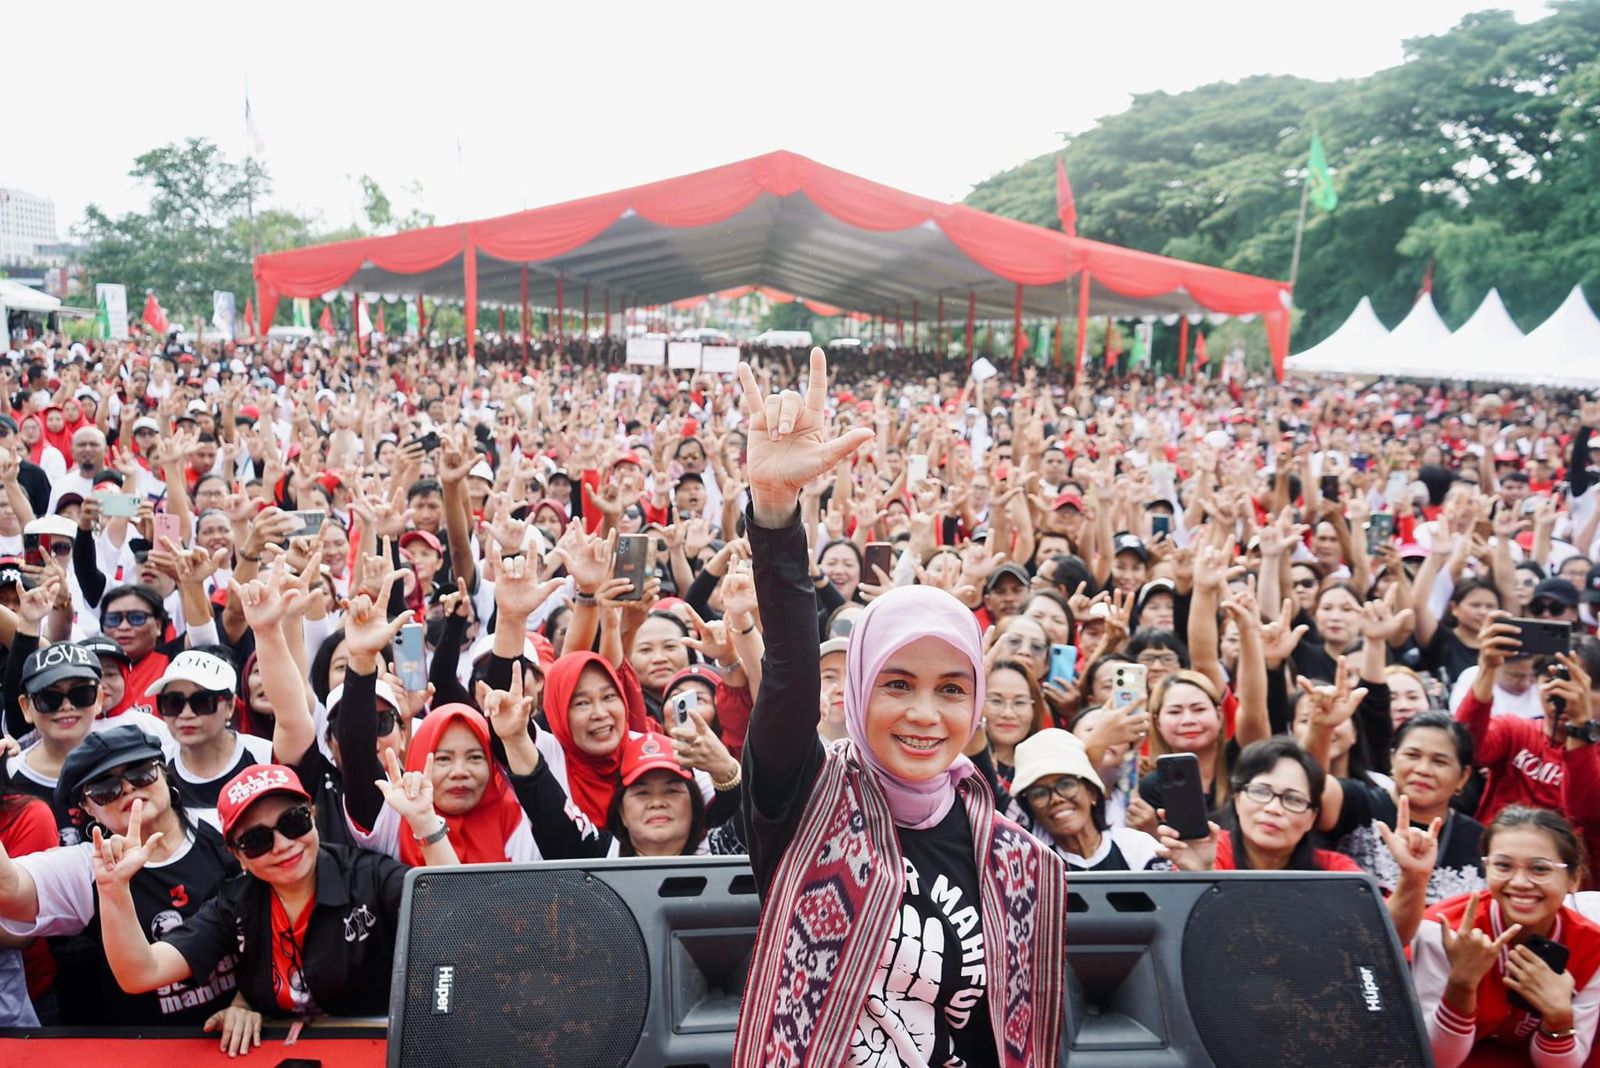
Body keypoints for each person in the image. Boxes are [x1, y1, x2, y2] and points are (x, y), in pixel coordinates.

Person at [731, 349, 1065, 1066]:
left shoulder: (1011, 857)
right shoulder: (803, 799)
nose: (924, 714)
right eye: (896, 683)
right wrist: (776, 512)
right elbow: (790, 668)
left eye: (951, 690)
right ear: (856, 691)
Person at [88, 760, 455, 1019]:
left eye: (293, 822)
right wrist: (113, 890)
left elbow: (458, 915)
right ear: (238, 855)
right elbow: (140, 973)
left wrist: (425, 822)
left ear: (313, 817)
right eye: (257, 839)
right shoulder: (234, 902)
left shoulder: (368, 875)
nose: (281, 844)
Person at [0, 726, 240, 1029]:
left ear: (164, 772)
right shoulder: (88, 867)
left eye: (141, 773)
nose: (127, 788)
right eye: (105, 788)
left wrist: (248, 1001)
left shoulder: (226, 827)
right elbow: (8, 891)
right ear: (88, 809)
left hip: (242, 1036)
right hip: (142, 1048)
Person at [1409, 807, 1600, 1067]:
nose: (1520, 882)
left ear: (1574, 879)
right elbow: (1436, 1060)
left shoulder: (1592, 947)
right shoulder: (1443, 930)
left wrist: (1559, 1018)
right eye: (1503, 866)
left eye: (1540, 869)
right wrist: (1461, 986)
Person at [144, 649, 273, 826]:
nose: (186, 714)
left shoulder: (266, 757)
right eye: (173, 702)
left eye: (202, 702)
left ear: (230, 706)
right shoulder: (155, 769)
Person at [1009, 728, 1164, 871]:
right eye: (1039, 794)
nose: (1056, 798)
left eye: (1066, 785)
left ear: (1091, 792)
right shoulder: (1028, 864)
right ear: (1031, 809)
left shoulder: (1136, 847)